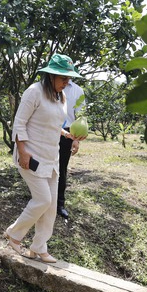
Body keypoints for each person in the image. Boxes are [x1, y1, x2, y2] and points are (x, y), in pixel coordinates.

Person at [3, 54, 84, 263]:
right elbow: (19, 123)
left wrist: (67, 134)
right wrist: (22, 152)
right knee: (42, 200)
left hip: (51, 157)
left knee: (51, 206)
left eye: (68, 78)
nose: (67, 82)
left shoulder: (61, 97)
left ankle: (39, 247)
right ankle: (14, 234)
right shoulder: (34, 92)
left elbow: (53, 123)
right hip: (31, 155)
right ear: (50, 76)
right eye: (63, 78)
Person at [57, 78, 85, 219]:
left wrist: (76, 139)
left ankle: (59, 204)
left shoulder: (77, 91)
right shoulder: (48, 88)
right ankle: (42, 200)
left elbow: (80, 116)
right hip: (48, 130)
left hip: (68, 133)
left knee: (62, 168)